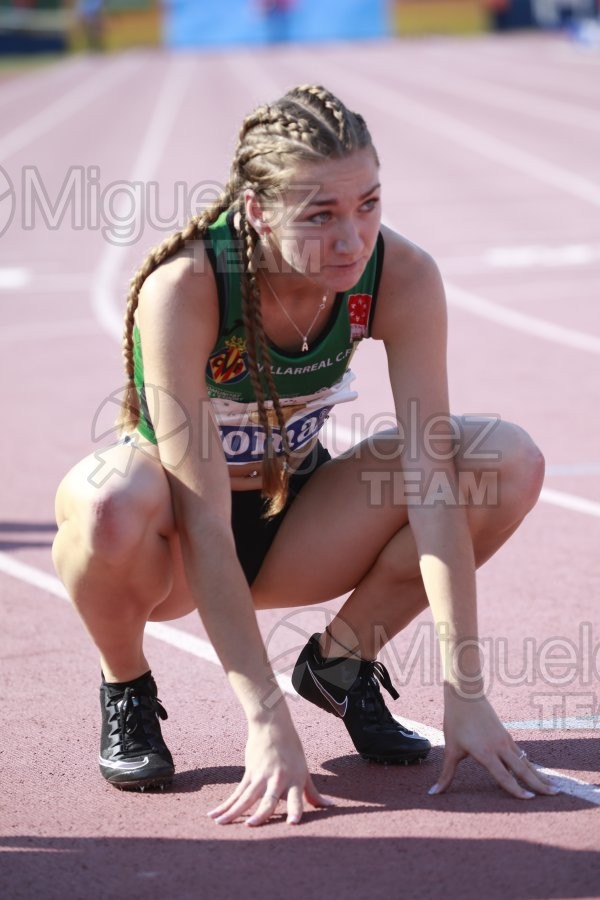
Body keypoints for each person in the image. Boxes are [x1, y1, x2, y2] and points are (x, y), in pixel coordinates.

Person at [52, 84, 559, 826]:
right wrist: (263, 719)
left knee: (505, 462)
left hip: (295, 516)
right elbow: (203, 523)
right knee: (107, 502)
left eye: (368, 204)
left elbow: (431, 479)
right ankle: (126, 685)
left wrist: (466, 690)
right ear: (257, 212)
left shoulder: (401, 276)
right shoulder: (189, 288)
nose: (352, 239)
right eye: (320, 214)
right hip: (172, 544)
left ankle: (339, 665)